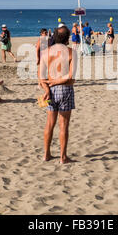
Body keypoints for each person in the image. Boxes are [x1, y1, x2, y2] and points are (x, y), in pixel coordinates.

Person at [39, 26, 76, 164]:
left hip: (50, 90)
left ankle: (46, 154)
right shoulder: (71, 52)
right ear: (67, 38)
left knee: (49, 124)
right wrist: (56, 81)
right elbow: (70, 76)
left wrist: (47, 89)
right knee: (63, 125)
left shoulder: (46, 53)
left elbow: (41, 77)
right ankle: (63, 157)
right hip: (65, 89)